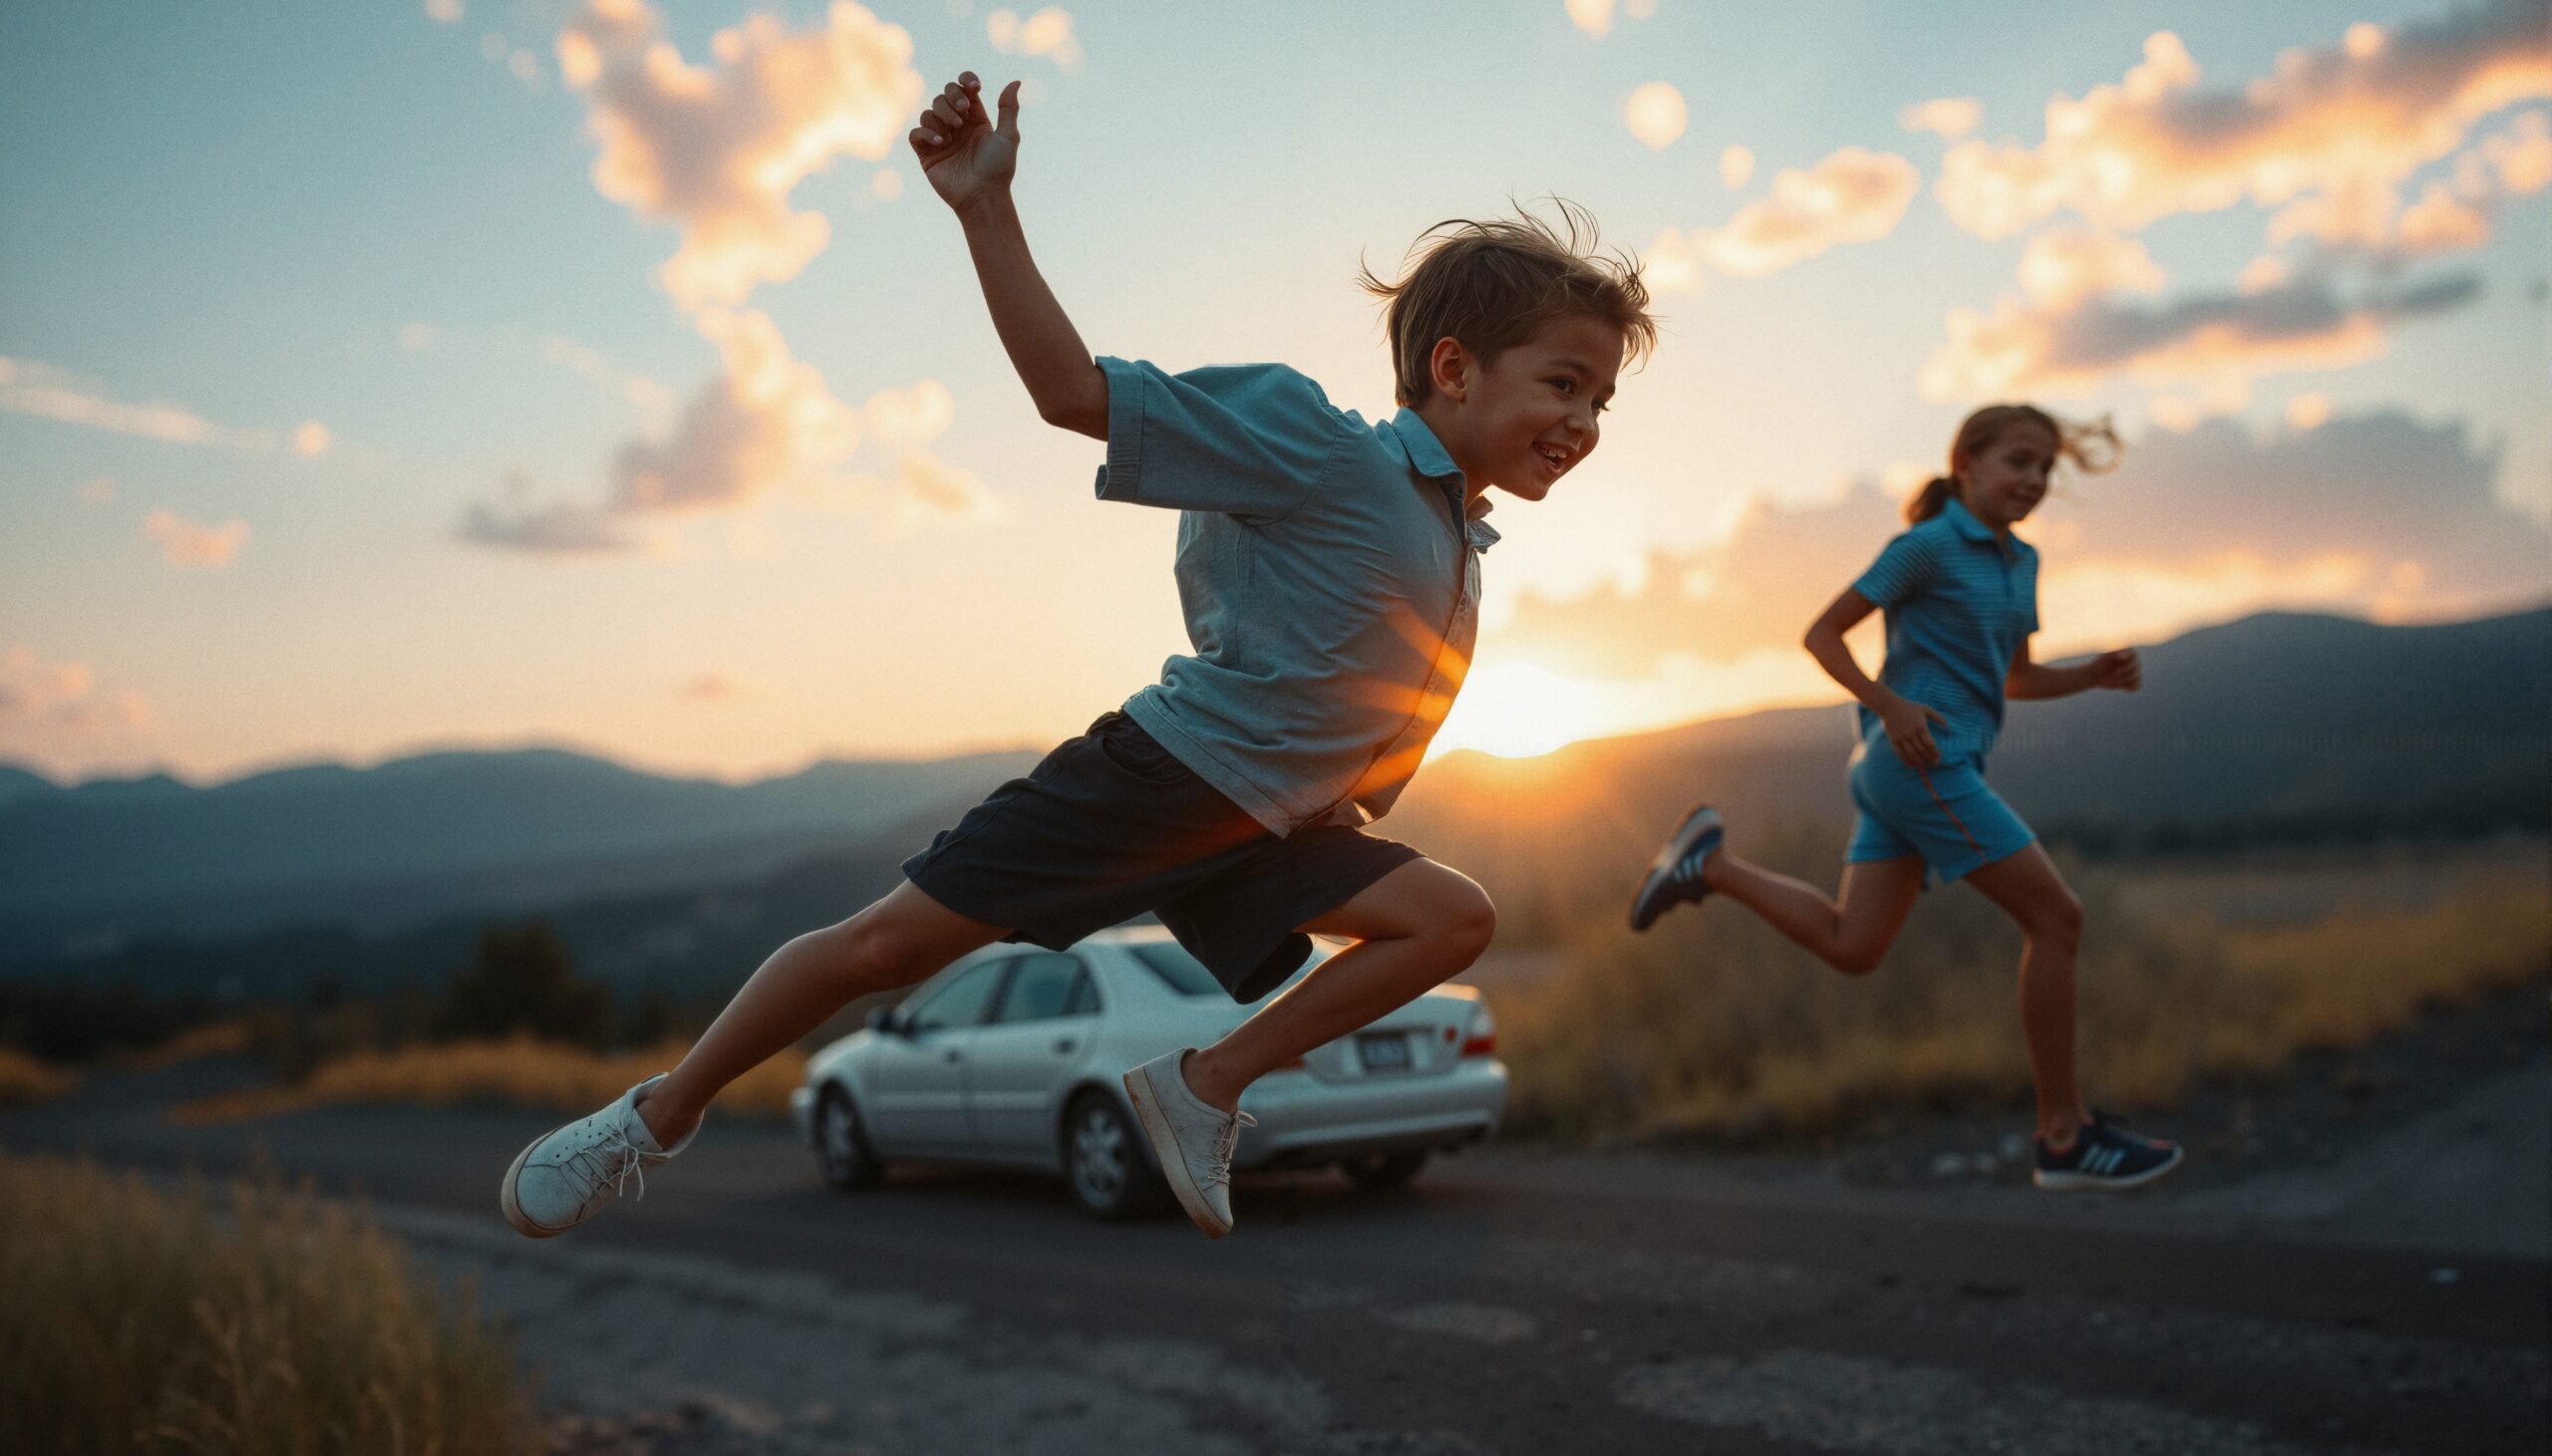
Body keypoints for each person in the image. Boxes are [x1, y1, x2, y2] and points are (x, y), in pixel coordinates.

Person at [501, 71, 1657, 1240]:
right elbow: (1071, 393)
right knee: (883, 949)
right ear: (1454, 368)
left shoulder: (1459, 539)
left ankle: (1202, 1088)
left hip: (1270, 829)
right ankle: (654, 1115)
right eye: (1564, 383)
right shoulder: (1320, 447)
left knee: (1452, 918)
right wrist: (982, 209)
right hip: (1156, 780)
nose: (1585, 422)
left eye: (1603, 399)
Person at [1627, 404, 2183, 1191]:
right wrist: (1887, 702)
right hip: (1920, 760)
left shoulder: (2020, 563)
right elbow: (1822, 633)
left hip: (1921, 768)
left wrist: (2091, 673)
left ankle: (1710, 865)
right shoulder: (1924, 547)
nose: (2032, 481)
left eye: (2044, 470)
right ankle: (2064, 1134)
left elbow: (2014, 677)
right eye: (2017, 462)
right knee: (2058, 917)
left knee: (1854, 946)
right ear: (1967, 467)